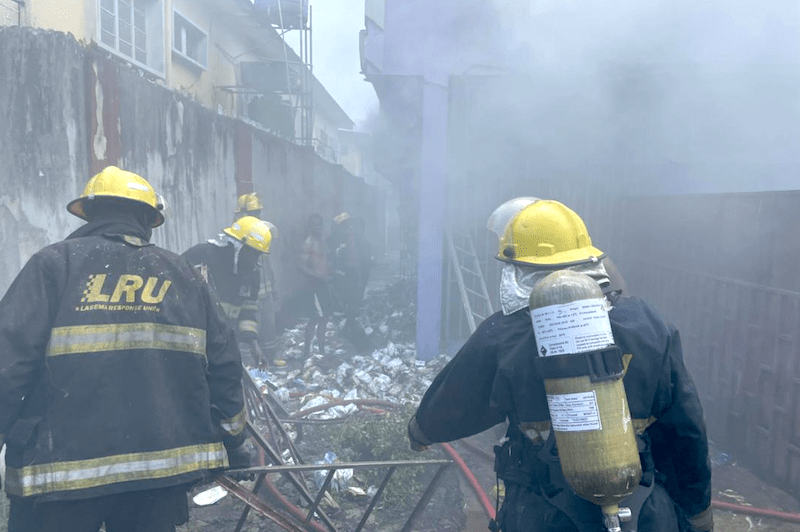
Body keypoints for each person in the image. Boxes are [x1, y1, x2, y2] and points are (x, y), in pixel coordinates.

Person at [407, 199, 713, 532]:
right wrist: (698, 513)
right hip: (642, 511)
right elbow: (686, 429)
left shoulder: (505, 335)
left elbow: (455, 401)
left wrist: (421, 430)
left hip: (543, 512)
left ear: (517, 270)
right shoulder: (648, 324)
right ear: (588, 257)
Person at [0, 166, 248, 532]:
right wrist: (234, 439)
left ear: (90, 213)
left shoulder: (53, 265)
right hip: (160, 476)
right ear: (148, 220)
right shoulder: (185, 276)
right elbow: (225, 365)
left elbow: (9, 364)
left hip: (59, 478)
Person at [183, 215, 274, 369]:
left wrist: (253, 343)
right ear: (238, 246)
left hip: (223, 345)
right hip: (191, 343)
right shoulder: (203, 255)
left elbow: (247, 311)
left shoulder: (252, 274)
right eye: (253, 253)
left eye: (258, 255)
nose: (255, 261)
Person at [233, 192, 283, 366]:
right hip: (248, 295)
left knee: (269, 328)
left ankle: (268, 361)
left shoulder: (261, 233)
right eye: (253, 213)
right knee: (249, 330)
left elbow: (266, 263)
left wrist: (273, 288)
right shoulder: (239, 234)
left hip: (265, 292)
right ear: (242, 213)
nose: (257, 216)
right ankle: (251, 366)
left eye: (258, 212)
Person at [299, 213, 332, 358]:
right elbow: (301, 266)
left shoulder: (323, 242)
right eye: (314, 224)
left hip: (323, 284)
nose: (317, 227)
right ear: (309, 226)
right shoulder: (308, 243)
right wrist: (317, 276)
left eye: (319, 224)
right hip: (313, 285)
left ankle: (321, 350)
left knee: (325, 318)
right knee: (315, 318)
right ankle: (307, 351)